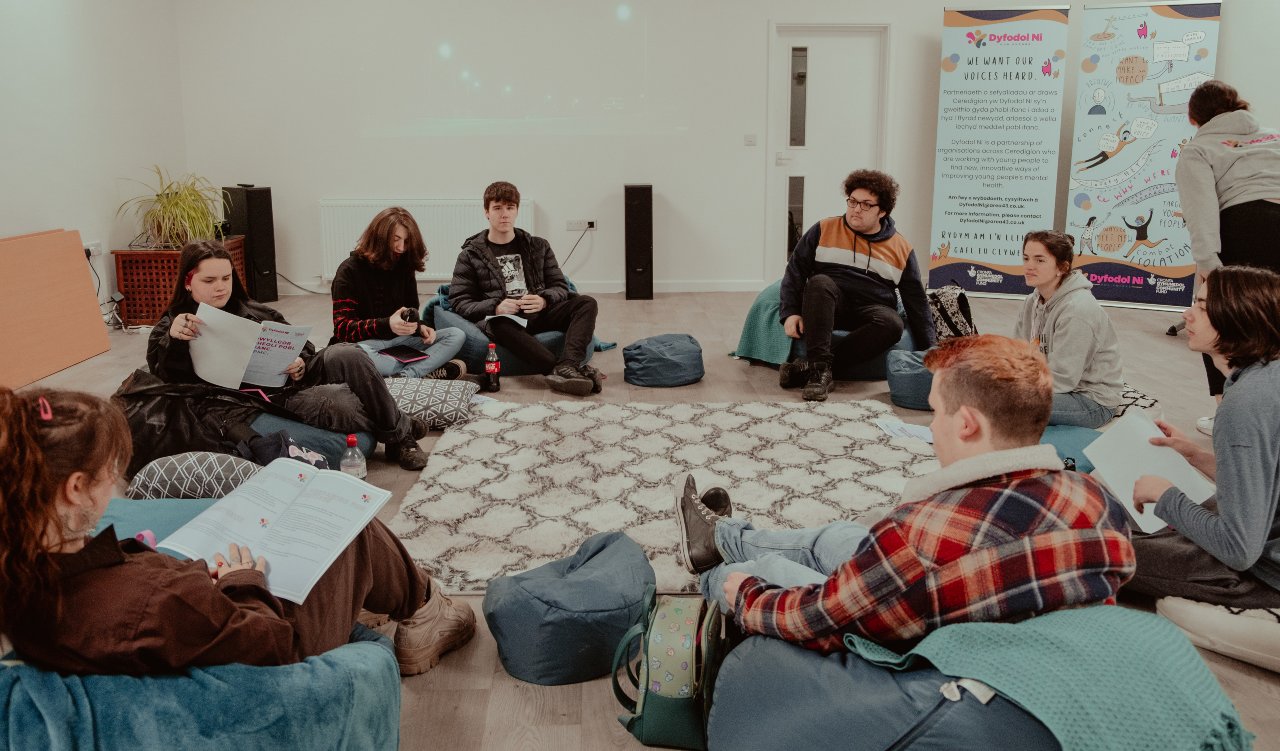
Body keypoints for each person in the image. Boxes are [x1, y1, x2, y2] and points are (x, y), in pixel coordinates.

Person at [675, 334, 1135, 652]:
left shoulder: (919, 534)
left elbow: (820, 618)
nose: (932, 426)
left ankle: (712, 570)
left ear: (967, 423)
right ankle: (720, 536)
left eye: (935, 412)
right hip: (981, 612)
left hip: (918, 654)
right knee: (837, 537)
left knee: (763, 570)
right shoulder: (1097, 500)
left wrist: (749, 595)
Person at [0, 386, 475, 675]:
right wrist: (240, 582)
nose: (118, 484)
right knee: (345, 522)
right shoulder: (155, 600)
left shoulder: (19, 574)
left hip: (195, 617)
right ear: (76, 488)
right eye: (110, 471)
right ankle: (425, 610)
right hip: (278, 651)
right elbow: (272, 645)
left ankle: (390, 595)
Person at [148, 240, 430, 471]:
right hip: (249, 405)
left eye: (226, 278)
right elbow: (166, 377)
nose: (220, 287)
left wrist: (300, 363)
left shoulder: (256, 311)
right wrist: (174, 339)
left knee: (349, 353)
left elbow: (302, 347)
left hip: (290, 386)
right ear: (188, 282)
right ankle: (398, 425)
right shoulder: (173, 325)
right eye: (209, 280)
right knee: (339, 404)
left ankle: (398, 435)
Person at [1128, 266, 1280, 610]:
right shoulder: (1265, 377)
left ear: (1238, 316)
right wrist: (1196, 456)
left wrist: (1166, 496)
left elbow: (1239, 550)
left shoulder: (1244, 404)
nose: (1187, 314)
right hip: (1264, 533)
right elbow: (1267, 479)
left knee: (1103, 546)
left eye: (1201, 306)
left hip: (1264, 573)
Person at [1174, 80, 1280, 435]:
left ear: (1194, 118)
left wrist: (1208, 268)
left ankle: (1228, 416)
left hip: (1245, 228)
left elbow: (1202, 211)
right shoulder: (1272, 135)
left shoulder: (1199, 148)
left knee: (1211, 315)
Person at [778, 169, 936, 402]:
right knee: (820, 282)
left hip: (871, 309)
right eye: (852, 201)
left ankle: (812, 368)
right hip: (827, 305)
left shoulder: (901, 248)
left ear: (882, 211)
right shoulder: (824, 229)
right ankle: (819, 373)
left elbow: (916, 301)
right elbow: (795, 271)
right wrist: (790, 313)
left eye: (866, 204)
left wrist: (930, 347)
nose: (856, 209)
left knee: (892, 323)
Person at [449, 181, 603, 396]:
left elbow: (560, 286)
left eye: (510, 208)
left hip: (539, 312)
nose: (504, 214)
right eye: (497, 208)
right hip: (507, 321)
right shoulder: (470, 255)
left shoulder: (538, 246)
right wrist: (497, 306)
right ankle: (557, 368)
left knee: (586, 302)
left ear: (517, 211)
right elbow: (458, 302)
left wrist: (544, 299)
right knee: (499, 323)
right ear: (486, 212)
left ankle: (568, 365)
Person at [330, 207, 467, 380]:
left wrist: (420, 327)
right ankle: (422, 370)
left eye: (407, 241)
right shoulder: (348, 271)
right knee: (353, 355)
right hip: (368, 345)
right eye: (396, 240)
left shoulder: (404, 265)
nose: (401, 248)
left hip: (401, 342)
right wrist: (387, 324)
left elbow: (411, 312)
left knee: (456, 335)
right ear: (379, 238)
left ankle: (404, 376)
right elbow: (343, 330)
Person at [1013, 230, 1124, 428]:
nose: (1029, 266)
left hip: (1090, 399)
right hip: (1051, 386)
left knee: (1004, 402)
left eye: (1039, 260)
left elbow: (1063, 379)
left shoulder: (1077, 310)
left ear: (1062, 267)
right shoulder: (1033, 300)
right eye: (1026, 258)